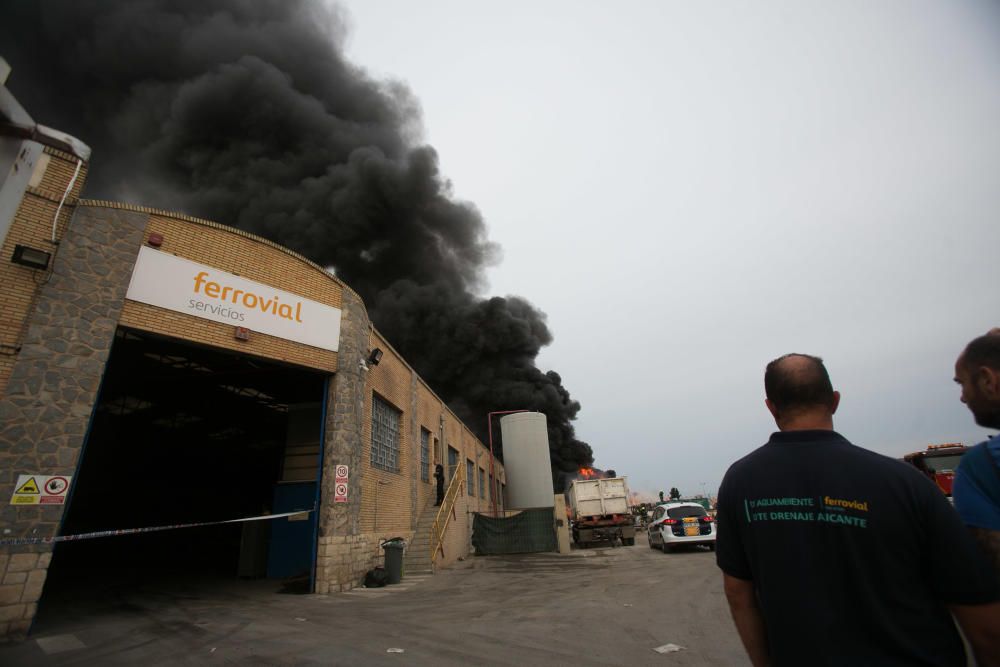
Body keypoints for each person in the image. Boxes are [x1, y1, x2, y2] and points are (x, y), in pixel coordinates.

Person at [716, 353, 1000, 666]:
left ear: (770, 407)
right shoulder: (905, 483)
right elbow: (977, 611)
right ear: (835, 400)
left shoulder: (740, 483)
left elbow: (738, 592)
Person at [953, 330, 1000, 577]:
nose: (962, 398)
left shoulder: (981, 468)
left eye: (962, 383)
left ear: (987, 379)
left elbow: (985, 581)